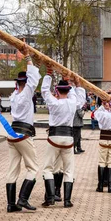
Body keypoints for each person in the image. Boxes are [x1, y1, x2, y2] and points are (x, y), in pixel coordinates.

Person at [41, 69, 86, 208]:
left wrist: (48, 74)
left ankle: (50, 198)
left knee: (48, 168)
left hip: (54, 136)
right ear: (68, 91)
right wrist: (76, 84)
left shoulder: (53, 102)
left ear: (57, 91)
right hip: (68, 137)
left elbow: (44, 91)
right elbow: (80, 99)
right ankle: (67, 200)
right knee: (68, 169)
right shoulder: (72, 102)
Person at [6, 52, 41, 213]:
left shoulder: (14, 95)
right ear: (25, 83)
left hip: (12, 134)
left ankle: (11, 204)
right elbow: (33, 80)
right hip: (23, 134)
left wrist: (34, 63)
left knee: (13, 168)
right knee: (33, 167)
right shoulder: (26, 93)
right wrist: (28, 59)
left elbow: (32, 79)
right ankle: (22, 199)